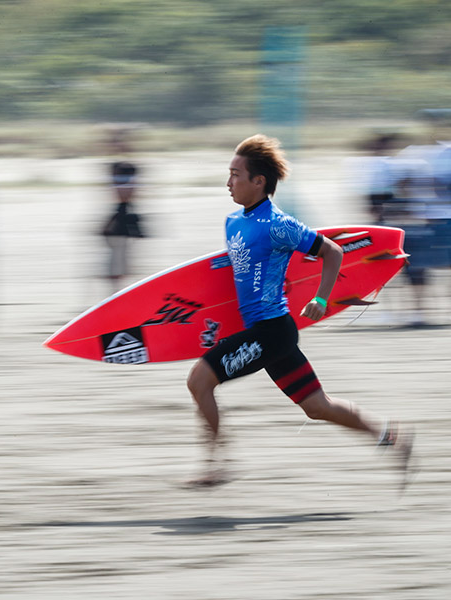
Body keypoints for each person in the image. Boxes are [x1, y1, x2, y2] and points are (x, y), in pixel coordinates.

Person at [185, 134, 414, 488]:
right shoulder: (233, 222)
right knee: (317, 407)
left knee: (199, 380)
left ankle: (218, 463)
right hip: (264, 330)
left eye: (235, 174)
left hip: (271, 329)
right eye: (228, 173)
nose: (228, 182)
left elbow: (332, 252)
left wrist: (323, 299)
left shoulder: (277, 224)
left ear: (258, 181)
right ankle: (390, 437)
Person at [101, 160, 144, 293]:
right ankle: (115, 294)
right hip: (119, 225)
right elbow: (123, 197)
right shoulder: (123, 189)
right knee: (118, 263)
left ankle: (116, 292)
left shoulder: (121, 190)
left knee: (120, 263)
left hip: (120, 224)